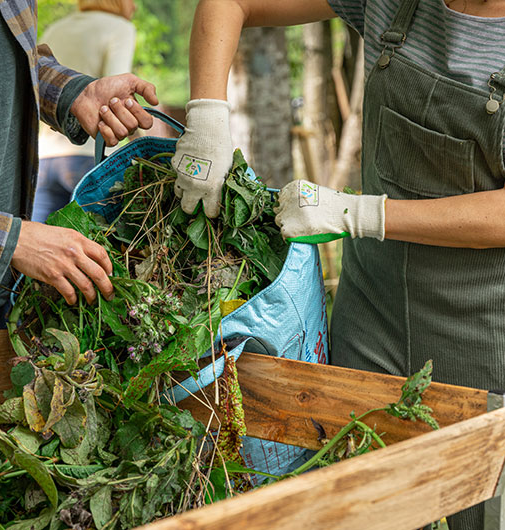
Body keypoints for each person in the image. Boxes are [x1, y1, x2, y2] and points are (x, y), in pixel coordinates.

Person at [172, 0, 505, 528]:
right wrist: (207, 116)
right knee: (353, 501)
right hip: (370, 317)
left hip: (481, 336)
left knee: (469, 502)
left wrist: (362, 212)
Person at [0, 0, 159, 330]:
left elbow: (10, 63)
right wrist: (10, 241)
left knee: (54, 263)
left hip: (45, 161)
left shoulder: (60, 26)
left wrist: (76, 93)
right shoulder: (119, 29)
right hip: (79, 159)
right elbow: (123, 91)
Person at [33, 0, 138, 222]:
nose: (135, 6)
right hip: (89, 158)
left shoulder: (56, 28)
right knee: (98, 247)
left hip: (45, 158)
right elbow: (117, 96)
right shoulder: (120, 28)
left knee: (37, 248)